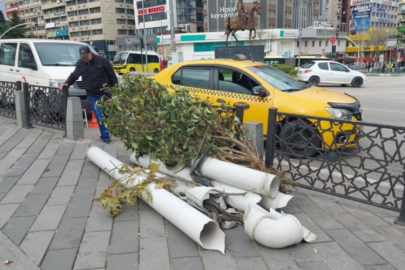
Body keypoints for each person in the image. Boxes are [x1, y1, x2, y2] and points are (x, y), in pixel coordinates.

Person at [59, 46, 118, 143]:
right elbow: (74, 75)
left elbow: (112, 77)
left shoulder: (102, 60)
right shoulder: (80, 63)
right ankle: (106, 138)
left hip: (105, 93)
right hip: (92, 94)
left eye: (86, 56)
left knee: (106, 115)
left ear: (90, 53)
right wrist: (67, 83)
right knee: (99, 115)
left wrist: (113, 92)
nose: (85, 58)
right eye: (82, 57)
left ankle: (105, 132)